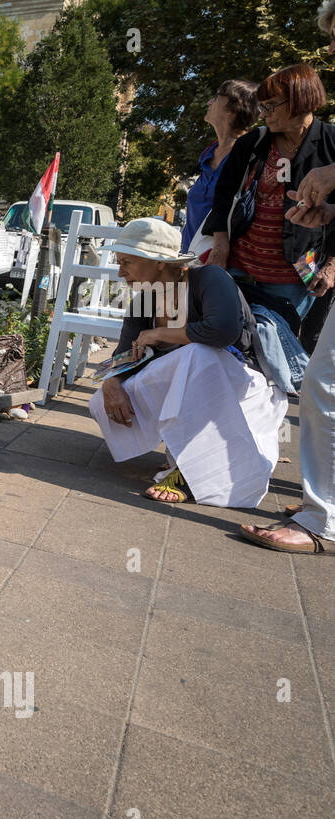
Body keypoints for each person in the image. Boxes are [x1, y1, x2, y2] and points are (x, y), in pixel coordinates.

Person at [91, 218, 288, 508]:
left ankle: (192, 472)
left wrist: (159, 333)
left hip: (242, 382)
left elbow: (222, 331)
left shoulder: (208, 278)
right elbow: (125, 356)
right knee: (100, 400)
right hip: (190, 382)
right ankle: (182, 447)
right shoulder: (144, 300)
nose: (121, 273)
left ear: (158, 261)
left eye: (127, 262)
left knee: (199, 354)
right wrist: (111, 382)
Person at [239, 6, 335, 555]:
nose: (328, 51)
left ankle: (322, 520)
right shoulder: (257, 146)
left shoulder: (327, 143)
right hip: (253, 265)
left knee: (320, 383)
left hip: (293, 279)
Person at [202, 65, 335, 342]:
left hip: (300, 269)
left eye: (271, 105)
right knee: (228, 343)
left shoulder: (331, 143)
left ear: (300, 100)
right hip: (239, 266)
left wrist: (332, 265)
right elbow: (224, 196)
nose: (263, 114)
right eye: (261, 106)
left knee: (275, 349)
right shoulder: (255, 142)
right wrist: (220, 246)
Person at [182, 80, 259, 254]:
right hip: (190, 258)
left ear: (233, 109)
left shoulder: (251, 157)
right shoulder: (208, 153)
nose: (209, 102)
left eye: (216, 98)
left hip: (225, 264)